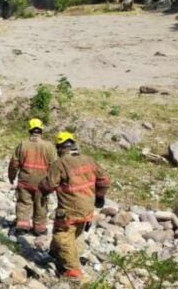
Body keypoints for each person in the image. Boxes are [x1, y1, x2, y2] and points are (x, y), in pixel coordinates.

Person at [39, 132, 111, 281]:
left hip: (69, 209)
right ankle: (59, 254)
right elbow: (104, 180)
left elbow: (49, 185)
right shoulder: (89, 160)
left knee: (62, 235)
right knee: (76, 232)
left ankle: (73, 271)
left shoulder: (60, 164)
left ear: (59, 148)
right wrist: (100, 197)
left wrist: (41, 189)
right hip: (87, 208)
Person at [8, 118, 57, 235]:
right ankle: (39, 228)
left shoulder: (23, 145)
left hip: (25, 181)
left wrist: (11, 176)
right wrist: (53, 183)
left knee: (24, 203)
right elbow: (54, 167)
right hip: (42, 183)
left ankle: (22, 225)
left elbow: (14, 163)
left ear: (29, 130)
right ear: (41, 131)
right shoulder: (49, 146)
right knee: (41, 205)